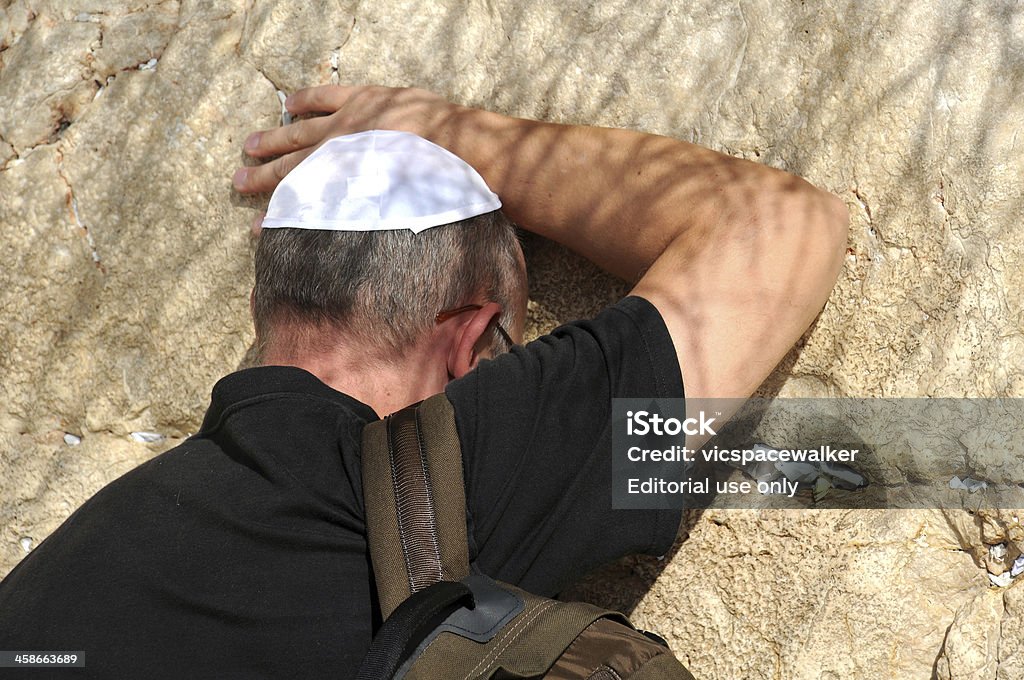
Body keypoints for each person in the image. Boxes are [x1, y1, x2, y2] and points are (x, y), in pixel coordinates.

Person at [0, 85, 847, 678]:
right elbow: (779, 229)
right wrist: (456, 135)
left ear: (268, 301)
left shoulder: (55, 582)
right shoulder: (430, 477)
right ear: (469, 339)